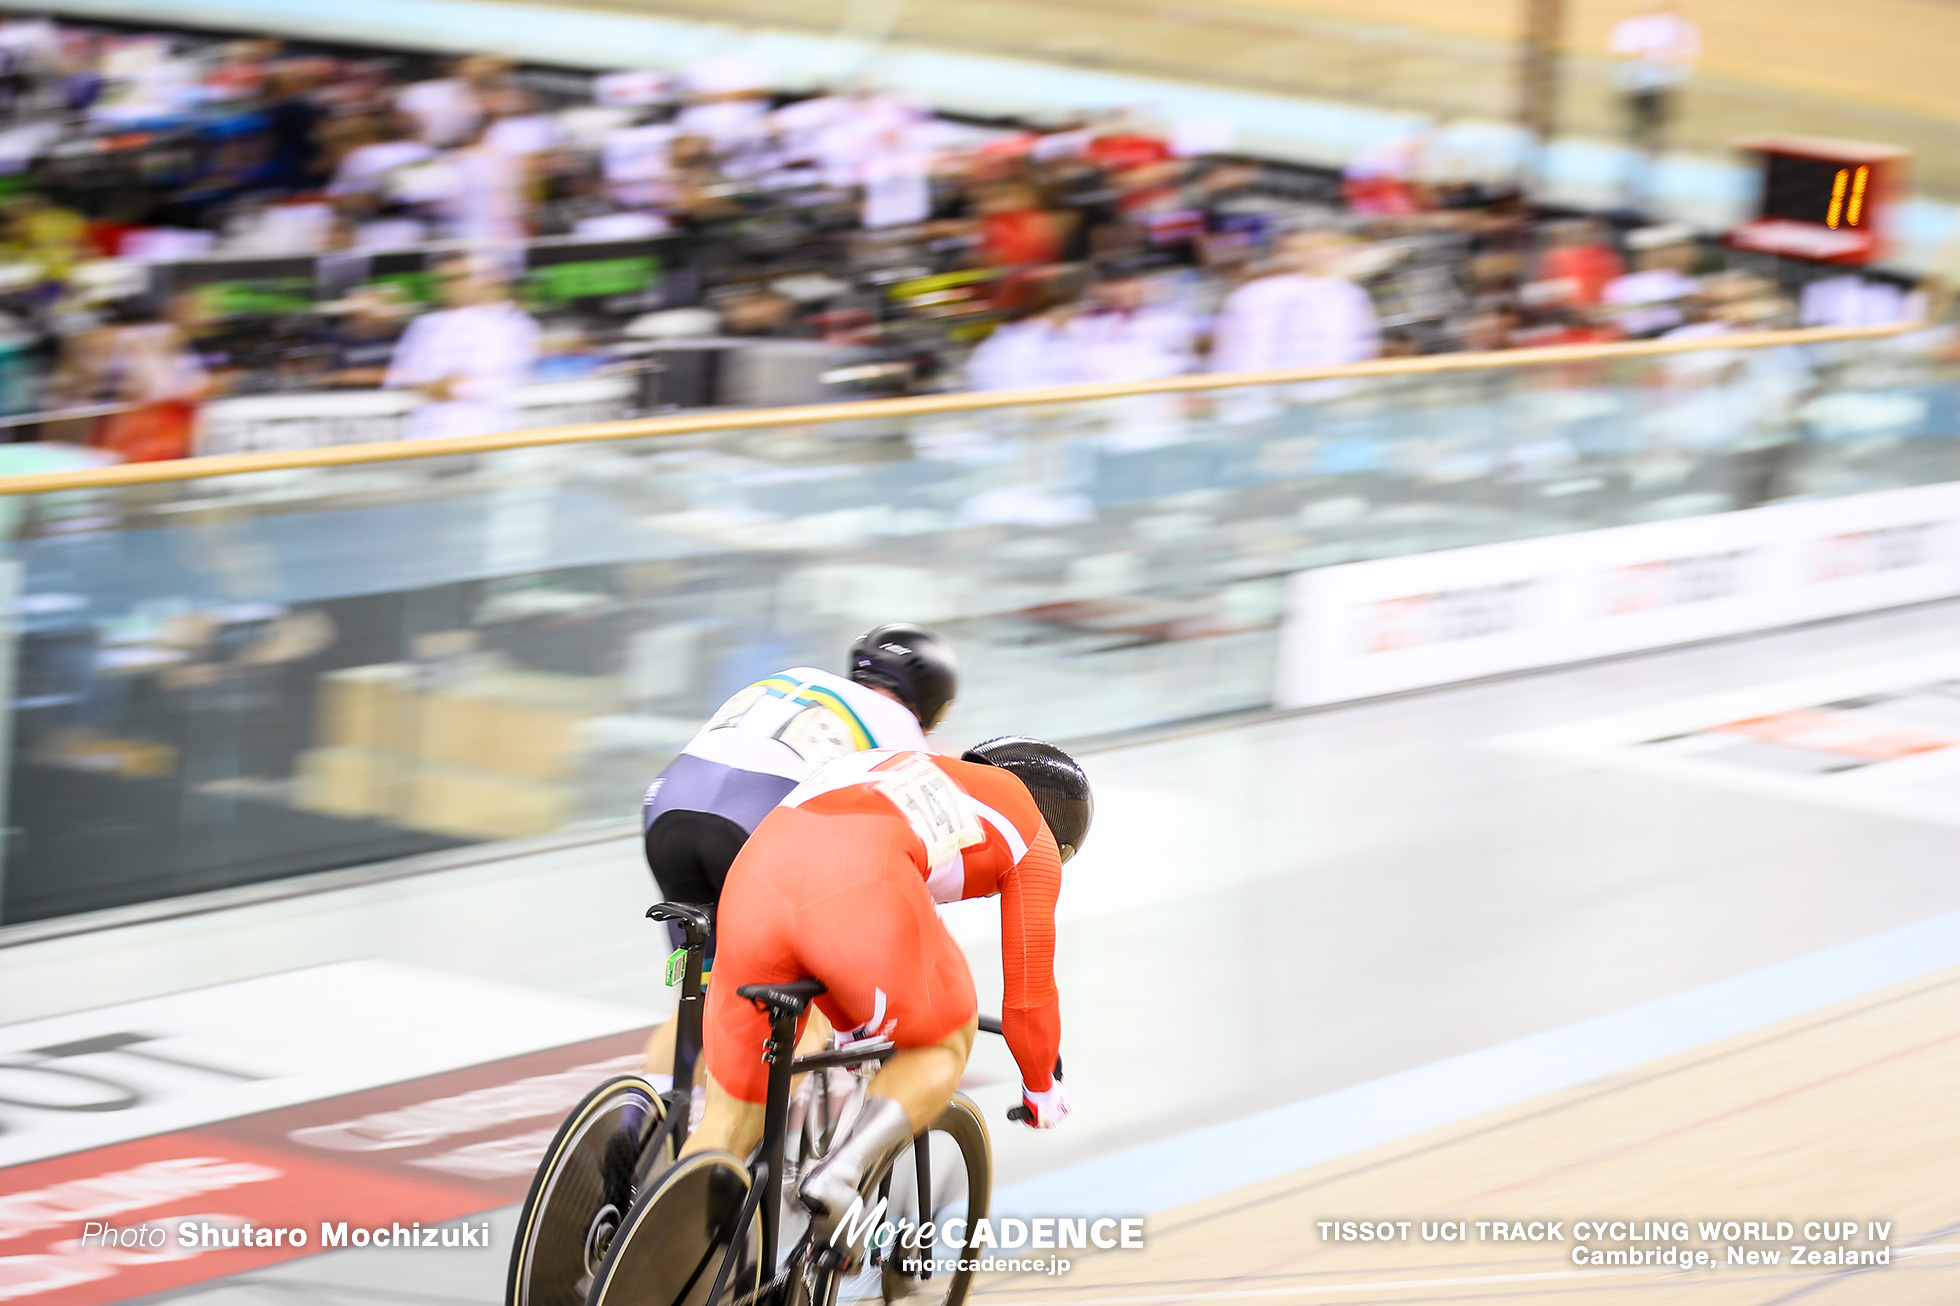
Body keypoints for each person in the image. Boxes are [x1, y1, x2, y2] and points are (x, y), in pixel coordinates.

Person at [681, 736, 1093, 1239]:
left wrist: (856, 1027)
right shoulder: (1034, 834)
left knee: (726, 1124)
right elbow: (1029, 996)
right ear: (1062, 833)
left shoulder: (921, 770)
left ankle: (672, 1255)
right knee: (944, 1038)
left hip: (752, 882)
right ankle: (841, 1174)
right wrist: (1041, 1087)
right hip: (856, 877)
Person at [637, 623, 959, 1077]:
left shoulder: (797, 679)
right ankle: (774, 1139)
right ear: (932, 704)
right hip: (756, 822)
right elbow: (914, 861)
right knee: (802, 1001)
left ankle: (640, 1121)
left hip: (670, 808)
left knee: (699, 1005)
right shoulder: (902, 730)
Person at [383, 255, 538, 440]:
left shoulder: (512, 324)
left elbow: (498, 382)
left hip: (490, 431)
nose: (451, 285)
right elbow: (400, 378)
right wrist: (436, 386)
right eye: (443, 280)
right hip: (427, 434)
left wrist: (443, 387)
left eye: (461, 277)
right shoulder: (424, 325)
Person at [1610, 0, 1699, 157]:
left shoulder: (1683, 30)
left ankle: (1648, 143)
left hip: (1660, 82)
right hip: (1641, 80)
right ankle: (1642, 141)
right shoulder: (1640, 27)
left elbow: (1686, 56)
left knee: (1653, 116)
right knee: (1643, 113)